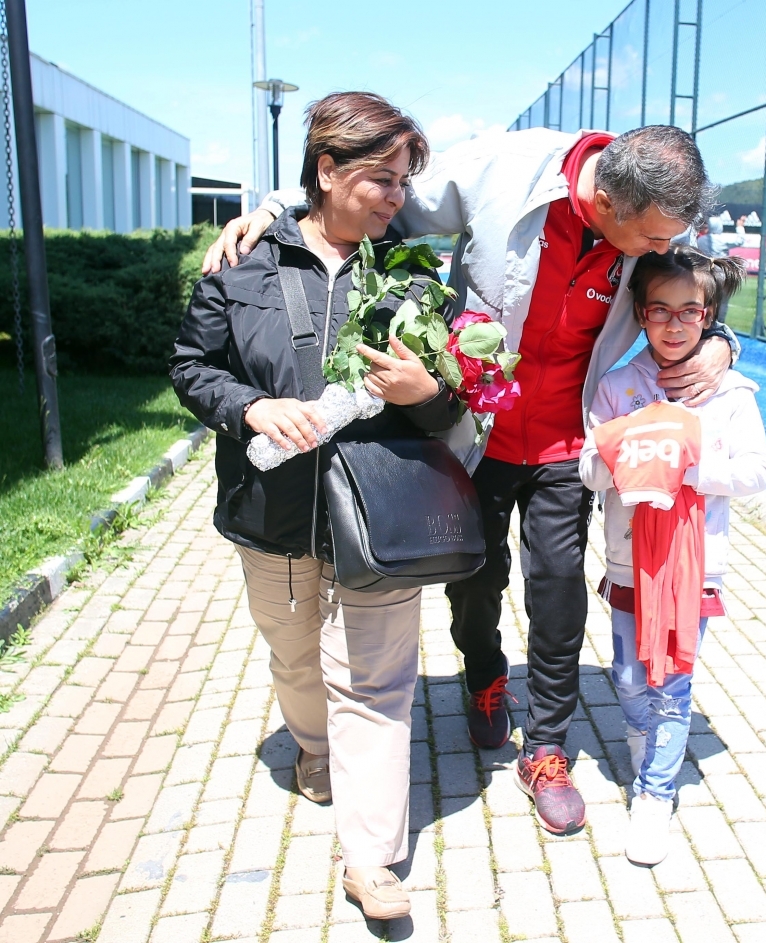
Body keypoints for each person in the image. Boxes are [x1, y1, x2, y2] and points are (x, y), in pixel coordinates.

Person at [202, 125, 740, 835]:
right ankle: (483, 675)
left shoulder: (651, 226)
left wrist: (721, 339)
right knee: (475, 580)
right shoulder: (507, 170)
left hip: (565, 440)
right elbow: (378, 198)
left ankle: (546, 747)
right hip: (477, 431)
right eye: (649, 239)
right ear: (606, 201)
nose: (658, 251)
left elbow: (694, 284)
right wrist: (274, 207)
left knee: (555, 589)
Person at [170, 92, 461, 921]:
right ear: (326, 171)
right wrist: (251, 409)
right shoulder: (244, 261)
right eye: (381, 177)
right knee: (296, 660)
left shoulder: (415, 274)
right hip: (271, 511)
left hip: (379, 520)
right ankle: (312, 745)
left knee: (376, 682)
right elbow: (193, 368)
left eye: (404, 181)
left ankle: (371, 857)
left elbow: (448, 409)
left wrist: (428, 390)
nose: (396, 196)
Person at [579, 246, 766, 865]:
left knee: (673, 683)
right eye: (658, 310)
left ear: (708, 316)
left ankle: (655, 793)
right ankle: (642, 738)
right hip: (628, 561)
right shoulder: (617, 387)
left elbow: (757, 472)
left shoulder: (732, 394)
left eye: (688, 311)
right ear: (639, 315)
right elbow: (589, 469)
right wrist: (626, 458)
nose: (673, 323)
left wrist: (690, 465)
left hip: (695, 568)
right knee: (631, 674)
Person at [696, 215, 747, 322]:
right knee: (723, 303)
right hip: (722, 276)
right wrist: (740, 227)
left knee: (704, 301)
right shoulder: (723, 239)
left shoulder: (701, 240)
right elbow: (740, 240)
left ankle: (703, 323)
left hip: (706, 276)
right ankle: (719, 324)